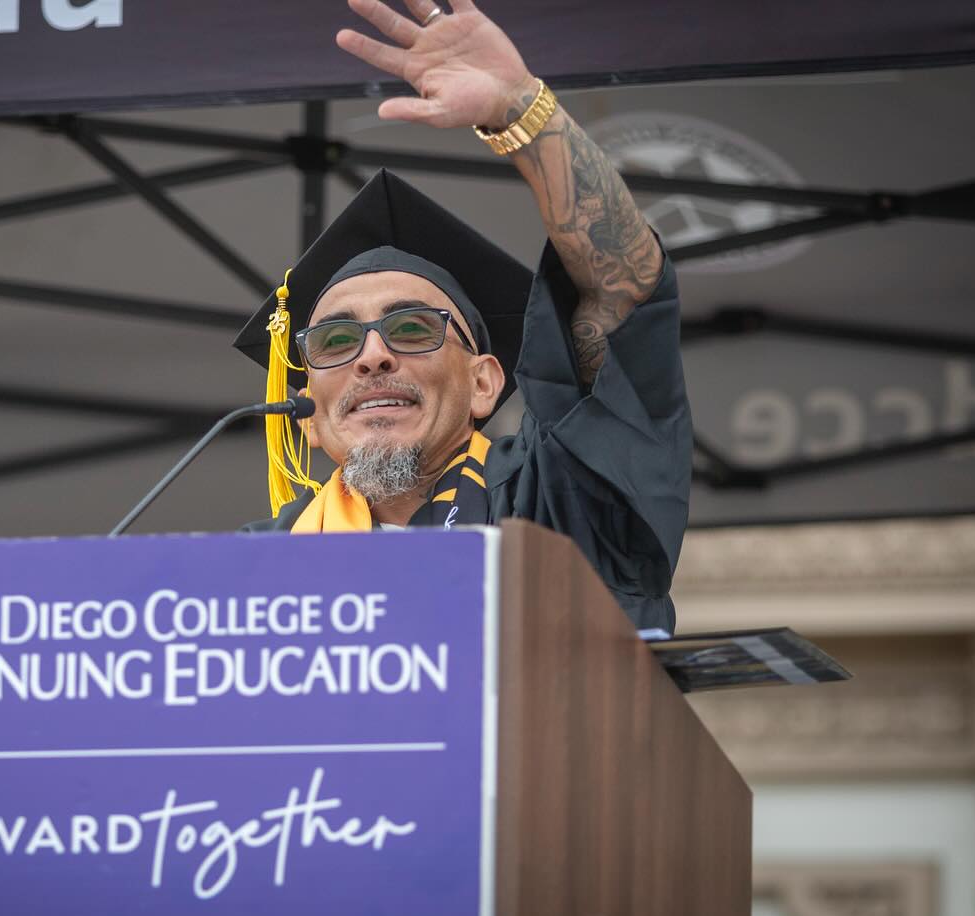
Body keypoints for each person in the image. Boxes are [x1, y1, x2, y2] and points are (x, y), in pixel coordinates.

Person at [233, 0, 691, 632]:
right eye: (335, 340)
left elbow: (621, 293)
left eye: (412, 327)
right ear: (306, 413)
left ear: (483, 382)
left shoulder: (557, 503)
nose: (372, 355)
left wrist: (521, 112)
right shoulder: (249, 571)